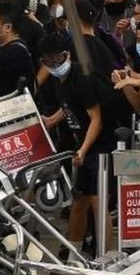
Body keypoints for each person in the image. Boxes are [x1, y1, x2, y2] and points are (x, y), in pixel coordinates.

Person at [40, 33, 121, 258]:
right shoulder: (59, 80)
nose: (56, 65)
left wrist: (83, 150)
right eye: (50, 61)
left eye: (59, 59)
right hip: (83, 146)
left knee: (98, 201)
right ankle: (73, 255)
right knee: (79, 202)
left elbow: (96, 118)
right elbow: (68, 107)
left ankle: (103, 258)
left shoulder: (82, 78)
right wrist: (51, 121)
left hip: (101, 146)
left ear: (68, 55)